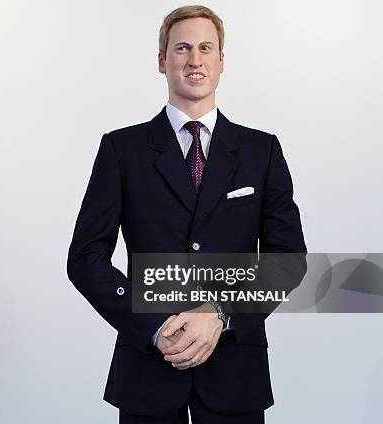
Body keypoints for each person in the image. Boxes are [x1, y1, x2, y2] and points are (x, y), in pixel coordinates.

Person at [67, 5, 306, 424]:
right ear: (162, 61)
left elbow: (287, 259)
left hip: (235, 369)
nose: (194, 60)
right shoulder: (122, 150)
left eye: (205, 48)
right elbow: (85, 258)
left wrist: (220, 313)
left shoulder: (261, 150)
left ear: (221, 61)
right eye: (181, 48)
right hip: (148, 366)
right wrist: (156, 325)